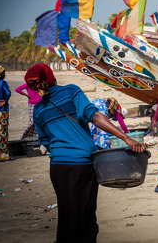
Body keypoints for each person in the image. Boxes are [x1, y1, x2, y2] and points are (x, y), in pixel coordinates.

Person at [25, 63, 144, 243]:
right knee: (86, 217)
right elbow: (94, 116)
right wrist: (126, 138)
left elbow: (45, 141)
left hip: (58, 168)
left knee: (68, 215)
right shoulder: (71, 91)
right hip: (81, 165)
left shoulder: (38, 109)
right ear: (51, 76)